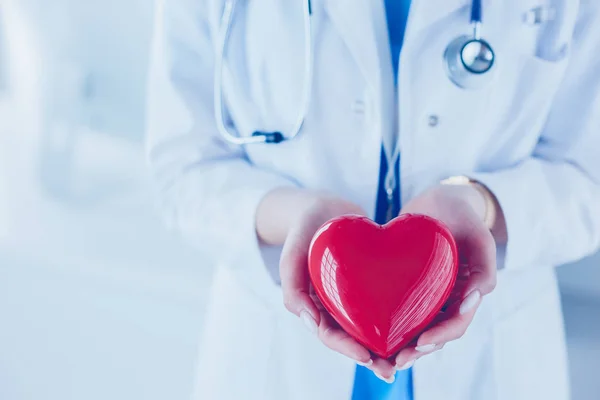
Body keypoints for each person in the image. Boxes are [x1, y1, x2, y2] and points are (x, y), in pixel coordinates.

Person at [145, 0, 600, 399]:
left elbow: (587, 183)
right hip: (275, 360)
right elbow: (183, 170)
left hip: (490, 360)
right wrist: (297, 216)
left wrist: (479, 205)